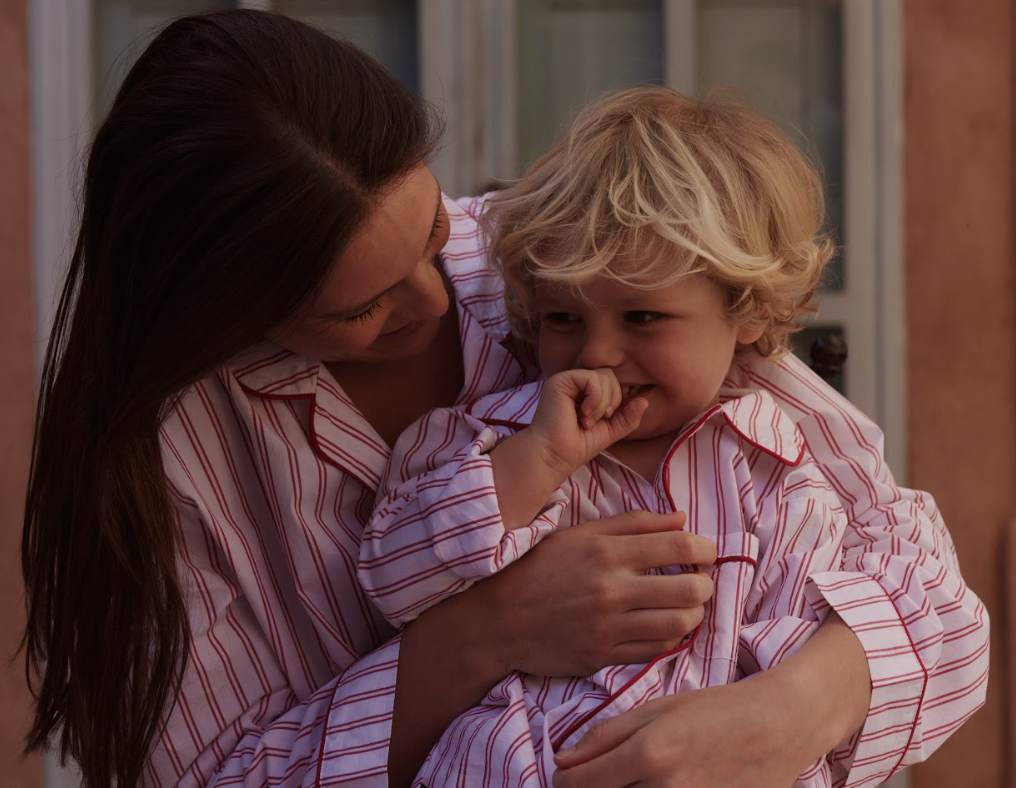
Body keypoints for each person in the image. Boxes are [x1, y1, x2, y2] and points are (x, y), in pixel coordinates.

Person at [18, 10, 986, 788]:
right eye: (359, 304)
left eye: (432, 228)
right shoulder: (177, 448)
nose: (444, 296)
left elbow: (929, 593)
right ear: (223, 311)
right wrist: (482, 633)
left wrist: (791, 710)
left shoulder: (567, 260)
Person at [358, 88, 991, 787]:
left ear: (747, 312)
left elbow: (794, 702)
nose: (597, 352)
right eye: (564, 317)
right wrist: (528, 467)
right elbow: (391, 584)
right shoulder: (476, 439)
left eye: (642, 317)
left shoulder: (777, 472)